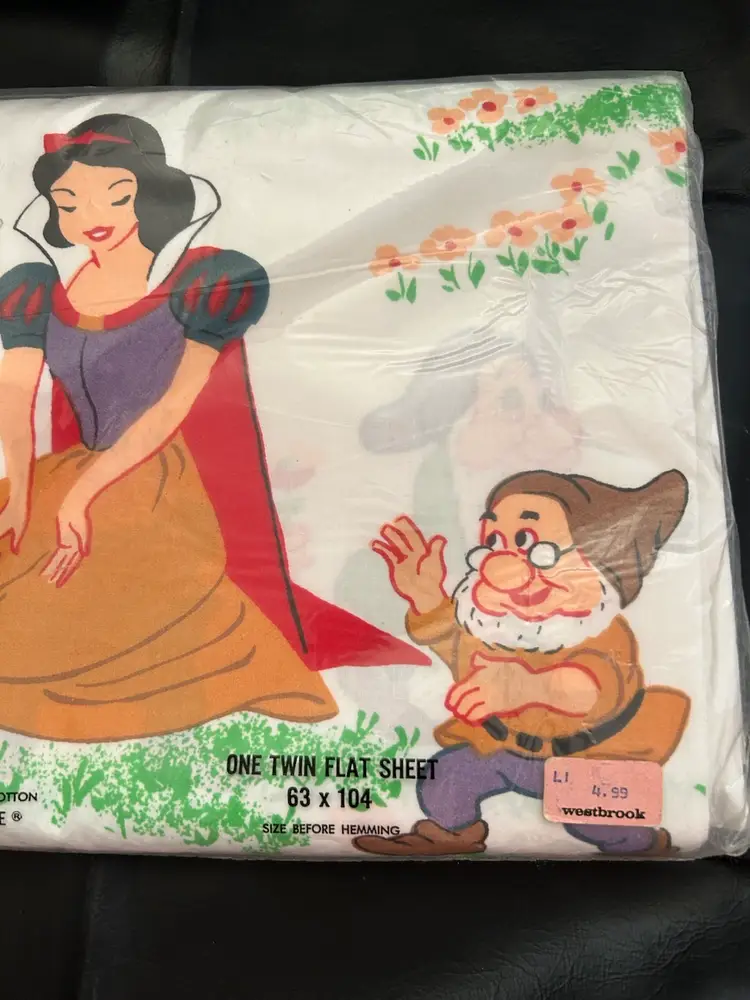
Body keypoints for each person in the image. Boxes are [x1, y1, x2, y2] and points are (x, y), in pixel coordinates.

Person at [0, 113, 425, 743]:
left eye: (115, 195)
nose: (91, 215)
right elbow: (14, 395)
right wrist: (23, 493)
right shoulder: (34, 290)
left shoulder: (202, 283)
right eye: (69, 202)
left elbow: (173, 407)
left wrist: (81, 498)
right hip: (68, 472)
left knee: (48, 621)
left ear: (151, 195)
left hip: (154, 481)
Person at [354, 468, 691, 856]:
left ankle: (645, 847)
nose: (500, 570)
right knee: (445, 777)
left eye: (531, 544)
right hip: (502, 747)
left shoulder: (600, 632)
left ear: (599, 562)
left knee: (603, 821)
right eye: (494, 542)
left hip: (585, 758)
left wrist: (526, 686)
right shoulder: (500, 630)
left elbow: (591, 688)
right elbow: (457, 648)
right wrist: (427, 597)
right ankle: (450, 834)